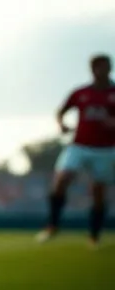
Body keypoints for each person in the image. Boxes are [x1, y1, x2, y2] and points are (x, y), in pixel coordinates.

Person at [36, 53, 115, 249]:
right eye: (97, 67)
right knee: (61, 179)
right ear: (92, 69)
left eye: (105, 66)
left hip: (105, 150)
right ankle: (52, 225)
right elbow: (61, 110)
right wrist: (61, 124)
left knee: (98, 192)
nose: (101, 70)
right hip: (79, 145)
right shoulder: (80, 93)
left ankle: (94, 236)